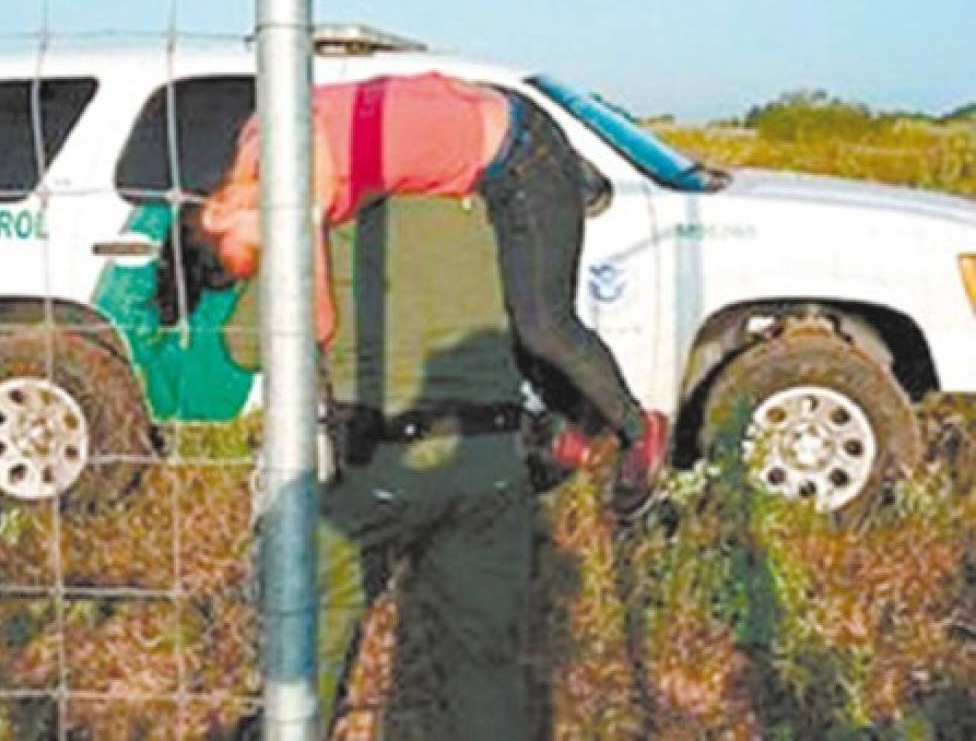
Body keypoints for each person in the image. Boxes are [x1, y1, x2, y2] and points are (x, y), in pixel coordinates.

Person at [199, 72, 667, 515]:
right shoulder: (259, 134)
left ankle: (638, 428)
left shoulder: (299, 183)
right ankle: (575, 432)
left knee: (543, 324)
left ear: (218, 214)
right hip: (499, 141)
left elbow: (320, 322)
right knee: (509, 314)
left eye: (258, 245)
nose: (278, 248)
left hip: (523, 157)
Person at [215, 195, 541, 739]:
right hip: (496, 458)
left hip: (383, 462)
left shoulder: (332, 220)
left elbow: (244, 345)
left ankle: (296, 724)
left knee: (316, 606)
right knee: (484, 662)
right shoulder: (491, 210)